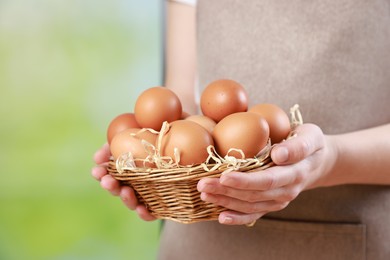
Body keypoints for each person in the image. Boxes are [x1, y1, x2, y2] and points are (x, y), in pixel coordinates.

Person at [92, 0, 390, 259]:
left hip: (352, 237)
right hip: (199, 240)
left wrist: (331, 159)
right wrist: (151, 157)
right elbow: (177, 101)